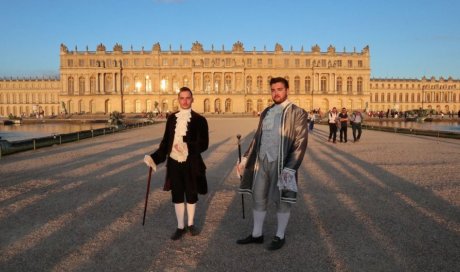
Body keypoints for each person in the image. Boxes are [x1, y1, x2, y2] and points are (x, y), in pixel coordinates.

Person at [236, 77, 308, 250]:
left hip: (281, 163)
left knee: (282, 200)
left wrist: (290, 168)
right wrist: (245, 159)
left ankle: (280, 235)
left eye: (279, 89)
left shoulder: (297, 112)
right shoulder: (266, 111)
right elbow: (257, 138)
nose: (276, 93)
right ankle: (257, 234)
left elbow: (300, 142)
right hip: (262, 162)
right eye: (273, 90)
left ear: (287, 90)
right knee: (258, 197)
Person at [143, 87, 209, 240]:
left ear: (192, 99)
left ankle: (191, 224)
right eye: (182, 98)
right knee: (177, 193)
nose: (185, 101)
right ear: (178, 99)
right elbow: (166, 142)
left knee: (191, 193)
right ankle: (180, 226)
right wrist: (155, 158)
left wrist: (188, 146)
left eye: (188, 98)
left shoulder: (200, 120)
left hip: (191, 161)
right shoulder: (172, 118)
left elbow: (204, 143)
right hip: (174, 162)